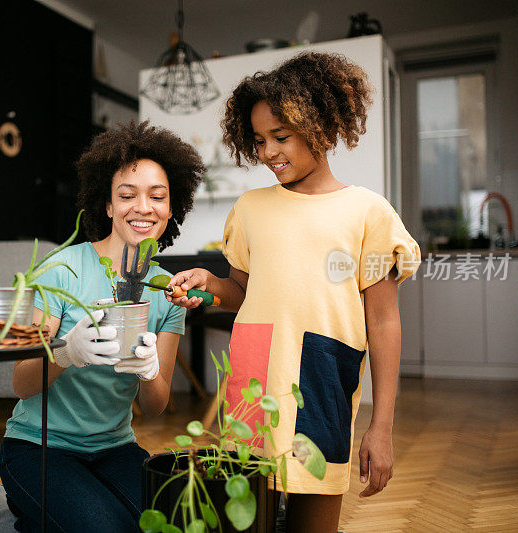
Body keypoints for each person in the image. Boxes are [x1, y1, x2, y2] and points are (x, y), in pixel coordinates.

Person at [167, 52, 421, 532]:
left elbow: (384, 322)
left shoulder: (370, 213)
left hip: (322, 382)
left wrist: (381, 426)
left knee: (313, 519)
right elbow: (241, 290)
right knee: (249, 519)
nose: (268, 152)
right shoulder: (250, 208)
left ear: (320, 125)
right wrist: (210, 283)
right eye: (260, 140)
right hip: (254, 384)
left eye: (280, 136)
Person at [0, 121, 205, 533]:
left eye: (157, 196)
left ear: (171, 207)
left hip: (115, 447)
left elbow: (154, 406)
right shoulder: (62, 268)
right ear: (108, 205)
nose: (142, 207)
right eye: (127, 196)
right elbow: (21, 384)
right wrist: (66, 352)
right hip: (37, 448)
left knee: (178, 523)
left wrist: (149, 372)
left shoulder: (169, 291)